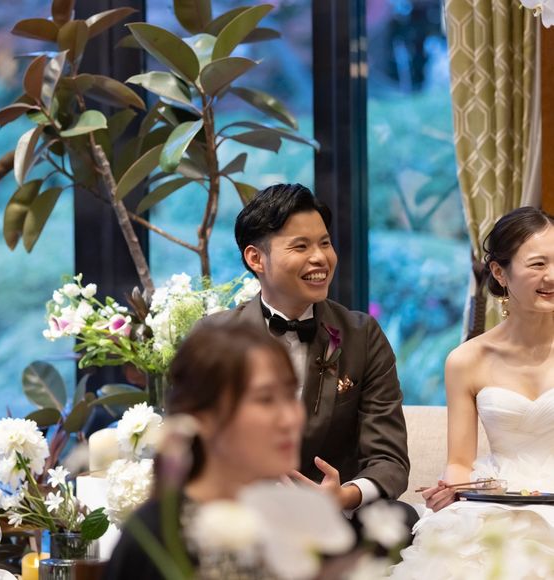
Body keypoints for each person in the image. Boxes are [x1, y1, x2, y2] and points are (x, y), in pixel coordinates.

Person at [209, 183, 411, 514]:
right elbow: (194, 448)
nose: (320, 258)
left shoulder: (361, 335)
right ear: (256, 258)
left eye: (325, 243)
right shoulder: (216, 338)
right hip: (245, 515)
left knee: (399, 518)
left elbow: (388, 459)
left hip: (338, 517)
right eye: (301, 246)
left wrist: (344, 495)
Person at [392, 206, 554, 578]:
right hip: (495, 497)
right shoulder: (466, 360)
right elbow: (460, 461)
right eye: (538, 264)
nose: (552, 276)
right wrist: (451, 487)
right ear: (499, 272)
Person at [104, 321, 306, 579]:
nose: (290, 419)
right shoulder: (157, 538)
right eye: (265, 399)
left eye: (290, 395)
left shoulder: (291, 525)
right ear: (203, 417)